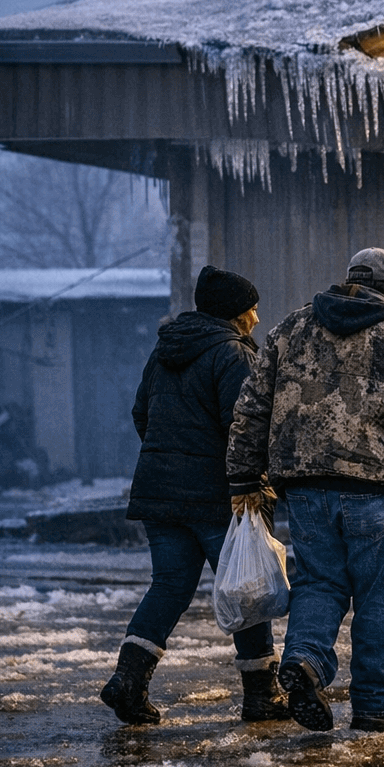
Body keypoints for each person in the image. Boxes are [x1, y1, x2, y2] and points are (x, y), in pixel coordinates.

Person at [226, 247, 384, 733]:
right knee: (380, 597)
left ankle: (304, 662)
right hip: (377, 491)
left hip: (305, 490)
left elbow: (251, 407)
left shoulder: (289, 331)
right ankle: (376, 704)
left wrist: (243, 478)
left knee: (319, 584)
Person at [101, 265, 291, 726]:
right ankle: (262, 694)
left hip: (160, 491)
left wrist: (171, 457)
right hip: (218, 496)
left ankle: (127, 680)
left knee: (168, 587)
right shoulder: (234, 355)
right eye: (252, 310)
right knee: (248, 588)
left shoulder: (164, 350)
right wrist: (251, 482)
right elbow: (244, 429)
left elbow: (140, 414)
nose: (258, 319)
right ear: (234, 314)